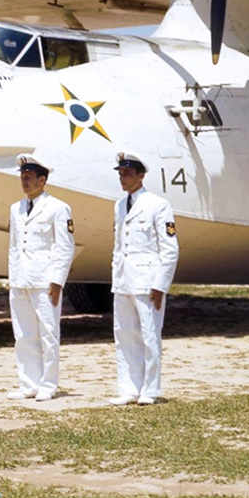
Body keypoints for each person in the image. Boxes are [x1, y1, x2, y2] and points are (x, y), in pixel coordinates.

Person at [108, 152, 178, 406]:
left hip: (148, 279)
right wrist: (116, 277)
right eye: (120, 173)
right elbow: (119, 245)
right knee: (124, 334)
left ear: (141, 175)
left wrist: (160, 284)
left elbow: (169, 248)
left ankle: (150, 389)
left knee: (149, 335)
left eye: (127, 173)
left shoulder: (158, 205)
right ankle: (129, 387)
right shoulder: (119, 205)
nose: (123, 178)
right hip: (124, 279)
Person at [7, 153, 74, 402]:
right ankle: (28, 383)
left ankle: (48, 384)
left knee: (48, 333)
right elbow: (14, 246)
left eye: (29, 178)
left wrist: (57, 281)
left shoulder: (58, 208)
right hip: (21, 280)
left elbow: (64, 247)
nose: (24, 182)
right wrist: (13, 278)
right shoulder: (16, 208)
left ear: (42, 180)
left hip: (45, 280)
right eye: (22, 178)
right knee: (23, 335)